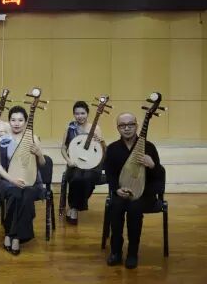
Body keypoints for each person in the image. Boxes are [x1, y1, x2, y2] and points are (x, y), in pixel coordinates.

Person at [104, 112, 164, 269]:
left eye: (130, 124)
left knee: (134, 207)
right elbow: (110, 174)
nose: (127, 128)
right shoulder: (113, 148)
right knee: (115, 206)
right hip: (121, 192)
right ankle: (116, 252)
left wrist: (153, 165)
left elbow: (159, 176)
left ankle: (132, 253)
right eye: (122, 125)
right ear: (118, 128)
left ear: (137, 126)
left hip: (145, 194)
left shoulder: (149, 147)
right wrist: (116, 189)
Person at [0, 106, 46, 255]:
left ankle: (12, 235)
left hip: (31, 181)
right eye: (13, 120)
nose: (16, 123)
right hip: (7, 180)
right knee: (16, 193)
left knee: (24, 194)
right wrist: (12, 180)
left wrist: (39, 154)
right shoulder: (2, 139)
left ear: (26, 122)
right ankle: (16, 236)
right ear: (9, 121)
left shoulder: (33, 139)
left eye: (20, 120)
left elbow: (42, 164)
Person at [60, 101, 105, 224]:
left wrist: (100, 141)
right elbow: (63, 148)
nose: (80, 116)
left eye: (82, 113)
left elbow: (100, 150)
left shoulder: (96, 128)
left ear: (87, 113)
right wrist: (68, 160)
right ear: (73, 114)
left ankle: (73, 208)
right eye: (77, 113)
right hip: (75, 163)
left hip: (92, 163)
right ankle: (74, 207)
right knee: (76, 178)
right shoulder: (70, 128)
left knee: (88, 177)